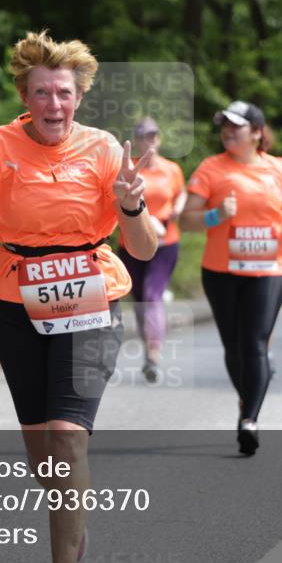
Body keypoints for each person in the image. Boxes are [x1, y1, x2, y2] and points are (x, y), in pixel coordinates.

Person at [0, 31, 157, 563]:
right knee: (43, 456)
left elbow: (144, 249)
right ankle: (72, 517)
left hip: (90, 297)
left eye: (63, 93)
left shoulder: (104, 150)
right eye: (41, 93)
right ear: (25, 95)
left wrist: (132, 203)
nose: (53, 104)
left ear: (79, 96)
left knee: (67, 437)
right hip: (17, 304)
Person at [179, 101, 282, 455]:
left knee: (255, 343)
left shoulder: (279, 168)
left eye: (236, 126)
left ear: (257, 133)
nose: (228, 131)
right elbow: (186, 220)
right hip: (221, 271)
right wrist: (216, 214)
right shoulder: (210, 168)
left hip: (269, 269)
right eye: (224, 126)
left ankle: (249, 419)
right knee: (233, 348)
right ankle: (247, 398)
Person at [117, 117, 186, 382]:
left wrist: (178, 207)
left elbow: (181, 192)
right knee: (139, 298)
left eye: (154, 135)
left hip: (165, 242)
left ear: (159, 138)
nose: (150, 140)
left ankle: (154, 354)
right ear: (136, 141)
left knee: (152, 294)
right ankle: (149, 348)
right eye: (145, 136)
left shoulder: (171, 169)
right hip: (132, 242)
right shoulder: (130, 168)